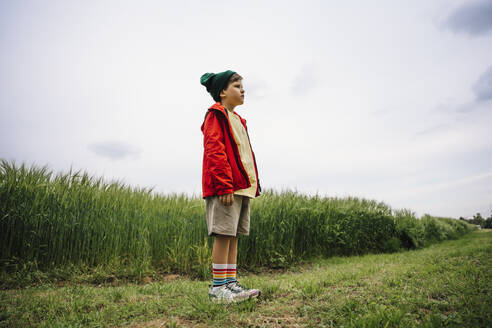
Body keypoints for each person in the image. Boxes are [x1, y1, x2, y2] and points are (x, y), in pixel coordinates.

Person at [200, 70, 262, 303]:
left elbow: (244, 155)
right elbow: (215, 151)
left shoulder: (238, 119)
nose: (242, 89)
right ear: (222, 92)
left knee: (233, 235)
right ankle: (218, 288)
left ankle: (230, 283)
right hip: (226, 188)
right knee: (223, 234)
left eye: (242, 85)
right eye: (236, 85)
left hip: (241, 187)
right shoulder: (216, 115)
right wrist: (224, 185)